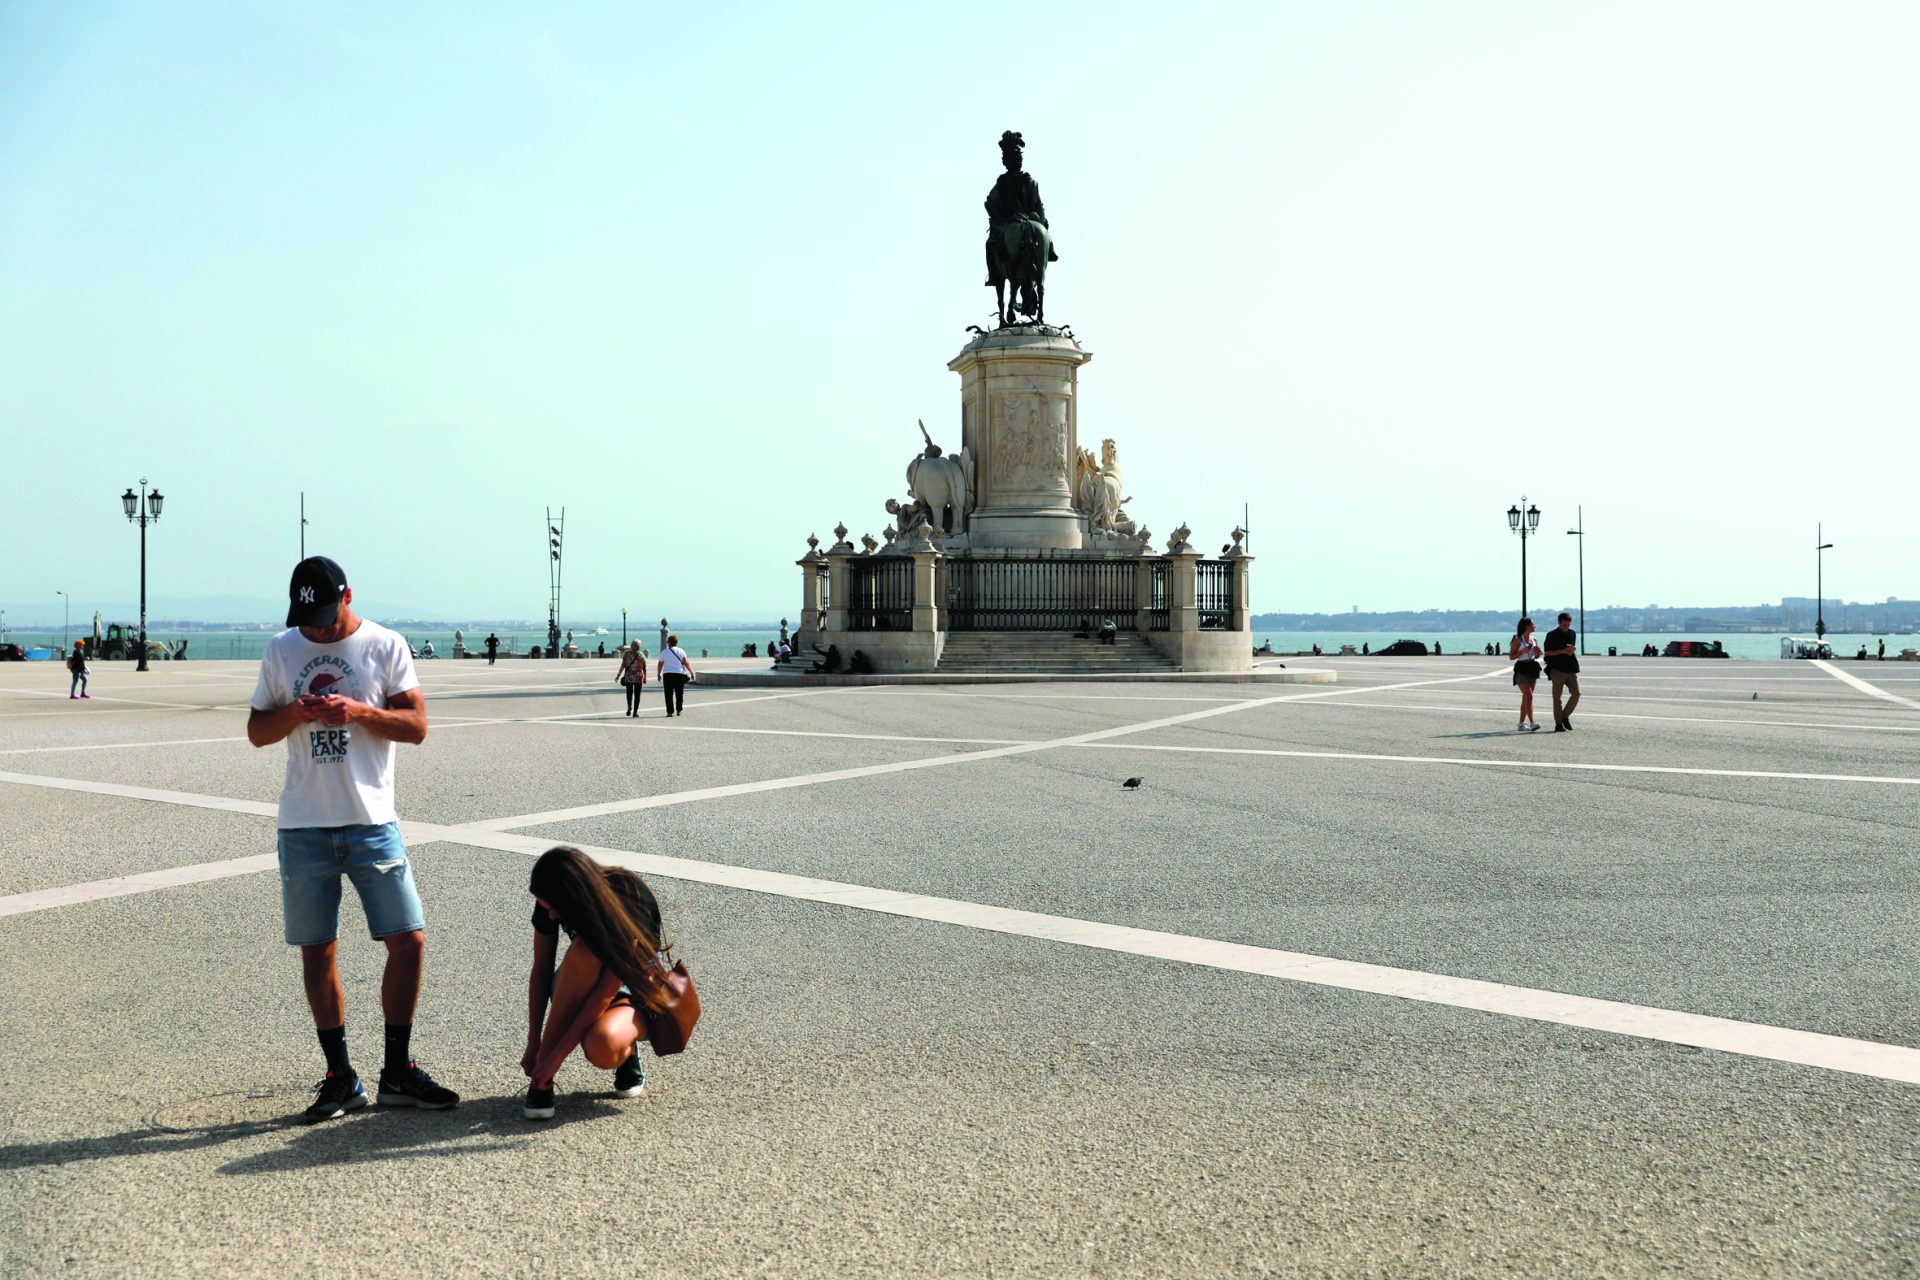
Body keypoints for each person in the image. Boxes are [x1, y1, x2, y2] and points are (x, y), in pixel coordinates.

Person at [247, 556, 457, 1123]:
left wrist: (359, 712)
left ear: (347, 596)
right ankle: (340, 1078)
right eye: (305, 618)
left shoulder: (386, 646)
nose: (313, 628)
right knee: (318, 951)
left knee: (408, 941)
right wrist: (295, 710)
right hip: (303, 824)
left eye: (323, 615)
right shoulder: (280, 650)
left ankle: (397, 1070)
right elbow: (256, 732)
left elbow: (416, 728)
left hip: (371, 821)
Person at [521, 845, 673, 1119]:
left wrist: (556, 1059)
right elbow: (541, 970)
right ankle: (540, 1084)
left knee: (601, 1047)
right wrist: (534, 1042)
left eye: (555, 909)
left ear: (575, 896)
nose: (552, 916)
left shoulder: (628, 896)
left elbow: (604, 993)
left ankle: (627, 1051)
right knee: (584, 951)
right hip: (582, 979)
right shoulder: (551, 898)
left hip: (635, 987)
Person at [1542, 612, 1580, 731]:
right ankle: (1558, 724)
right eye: (1564, 625)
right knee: (1557, 698)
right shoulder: (1551, 635)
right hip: (1557, 669)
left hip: (1570, 668)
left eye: (1568, 624)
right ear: (1559, 623)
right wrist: (1562, 651)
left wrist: (1571, 650)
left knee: (1576, 694)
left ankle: (1565, 717)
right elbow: (1547, 652)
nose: (1567, 627)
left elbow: (1570, 649)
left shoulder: (1572, 633)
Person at [1509, 617, 1543, 732]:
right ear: (1526, 626)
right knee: (1529, 696)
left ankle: (1521, 724)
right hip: (1521, 668)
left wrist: (1538, 653)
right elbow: (1511, 656)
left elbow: (1536, 655)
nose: (1534, 626)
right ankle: (1532, 723)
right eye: (1532, 624)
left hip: (1532, 667)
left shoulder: (1534, 639)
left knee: (1526, 698)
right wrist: (1522, 652)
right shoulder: (1517, 640)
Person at [657, 633, 695, 717]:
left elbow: (660, 664)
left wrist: (658, 673)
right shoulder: (681, 651)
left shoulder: (665, 652)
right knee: (679, 693)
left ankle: (670, 712)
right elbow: (686, 663)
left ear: (669, 642)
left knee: (668, 694)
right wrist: (691, 672)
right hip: (679, 674)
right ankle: (678, 710)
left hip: (668, 674)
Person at [616, 642, 647, 717]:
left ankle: (629, 706)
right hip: (638, 677)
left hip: (629, 676)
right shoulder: (641, 655)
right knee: (637, 694)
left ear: (632, 646)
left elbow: (622, 665)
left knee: (629, 693)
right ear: (639, 647)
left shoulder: (627, 654)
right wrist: (645, 677)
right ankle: (635, 712)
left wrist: (618, 675)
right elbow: (644, 668)